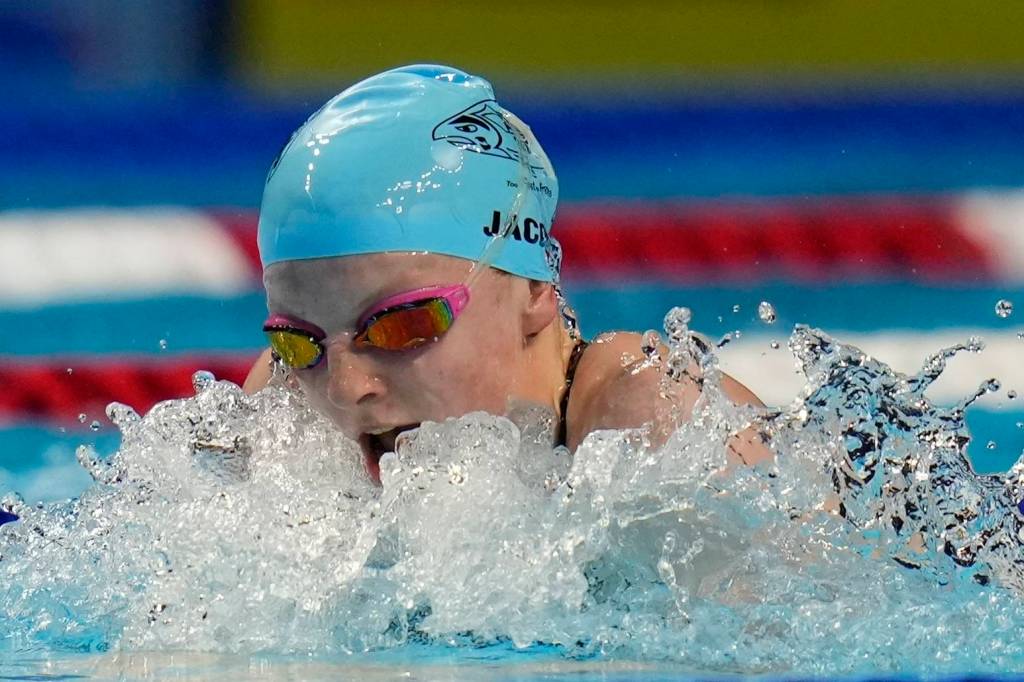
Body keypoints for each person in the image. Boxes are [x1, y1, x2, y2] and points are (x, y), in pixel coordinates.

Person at [244, 64, 769, 482]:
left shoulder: (659, 421)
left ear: (536, 289)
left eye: (398, 325)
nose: (343, 387)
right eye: (298, 343)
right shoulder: (286, 411)